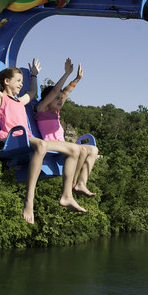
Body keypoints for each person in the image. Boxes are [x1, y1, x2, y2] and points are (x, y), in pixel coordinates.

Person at [0, 24, 86, 224]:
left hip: (28, 139)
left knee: (74, 150)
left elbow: (33, 93)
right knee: (42, 145)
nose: (21, 84)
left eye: (22, 81)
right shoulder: (0, 99)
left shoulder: (20, 101)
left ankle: (67, 195)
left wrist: (34, 75)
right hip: (10, 141)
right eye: (18, 81)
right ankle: (29, 200)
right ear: (7, 81)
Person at [36, 59, 100, 197]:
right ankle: (70, 186)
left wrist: (76, 79)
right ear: (47, 99)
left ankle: (80, 183)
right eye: (56, 98)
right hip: (49, 145)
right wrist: (66, 74)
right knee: (80, 149)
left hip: (62, 145)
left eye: (60, 98)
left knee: (93, 150)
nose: (60, 100)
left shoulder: (55, 112)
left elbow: (66, 92)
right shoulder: (41, 109)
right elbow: (56, 91)